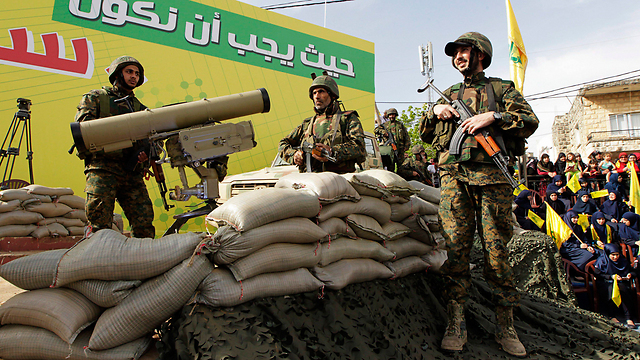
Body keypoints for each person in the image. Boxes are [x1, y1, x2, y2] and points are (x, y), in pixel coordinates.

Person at [418, 32, 538, 356]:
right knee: (455, 251)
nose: (458, 56)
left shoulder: (501, 89)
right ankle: (456, 322)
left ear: (480, 54)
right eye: (455, 52)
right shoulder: (449, 93)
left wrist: (494, 116)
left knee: (496, 255)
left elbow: (530, 120)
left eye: (463, 50)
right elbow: (425, 134)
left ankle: (505, 325)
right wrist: (435, 113)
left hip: (493, 180)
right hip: (455, 177)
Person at [74, 56, 155, 239]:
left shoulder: (141, 109)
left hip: (131, 172)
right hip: (103, 169)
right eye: (129, 72)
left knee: (144, 223)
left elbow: (150, 141)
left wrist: (144, 158)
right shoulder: (96, 98)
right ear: (117, 74)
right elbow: (84, 130)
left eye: (137, 73)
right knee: (99, 223)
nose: (134, 76)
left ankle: (143, 262)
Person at [278, 73, 366, 174]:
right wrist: (294, 155)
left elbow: (359, 146)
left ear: (332, 95)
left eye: (321, 92)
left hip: (339, 180)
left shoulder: (347, 119)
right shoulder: (307, 124)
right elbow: (283, 143)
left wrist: (333, 151)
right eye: (314, 93)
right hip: (310, 180)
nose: (317, 96)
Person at [593, 243, 637, 328]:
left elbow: (632, 271)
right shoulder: (602, 261)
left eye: (617, 255)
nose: (615, 257)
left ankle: (628, 318)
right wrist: (611, 277)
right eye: (613, 255)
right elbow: (598, 274)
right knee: (611, 289)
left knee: (623, 290)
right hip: (606, 283)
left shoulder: (623, 261)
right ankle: (612, 316)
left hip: (621, 283)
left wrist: (630, 274)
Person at [375, 108, 411, 172]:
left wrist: (407, 146)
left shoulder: (400, 125)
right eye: (390, 115)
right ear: (388, 116)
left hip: (400, 149)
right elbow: (376, 130)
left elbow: (406, 136)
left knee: (401, 167)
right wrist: (383, 132)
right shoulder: (385, 125)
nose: (391, 116)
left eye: (393, 115)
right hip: (389, 150)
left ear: (395, 115)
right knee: (390, 168)